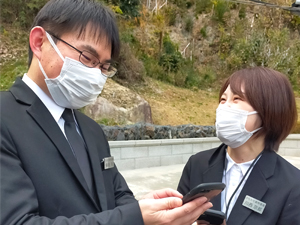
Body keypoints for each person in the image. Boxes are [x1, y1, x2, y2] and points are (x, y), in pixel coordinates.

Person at [0, 0, 213, 224]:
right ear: (39, 42)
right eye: (87, 58)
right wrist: (134, 217)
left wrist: (146, 210)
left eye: (103, 67)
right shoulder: (6, 118)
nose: (95, 75)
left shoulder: (90, 130)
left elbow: (117, 193)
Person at [177, 67, 300, 225]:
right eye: (223, 100)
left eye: (236, 99)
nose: (224, 107)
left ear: (269, 110)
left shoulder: (292, 185)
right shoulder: (197, 164)